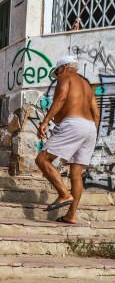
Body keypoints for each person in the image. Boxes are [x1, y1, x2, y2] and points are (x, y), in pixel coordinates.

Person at [35, 56, 100, 225]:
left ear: (63, 68)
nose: (57, 76)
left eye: (56, 72)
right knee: (76, 174)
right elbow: (96, 113)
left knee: (42, 159)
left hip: (74, 124)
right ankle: (71, 215)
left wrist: (45, 121)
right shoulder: (86, 84)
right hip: (91, 127)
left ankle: (64, 194)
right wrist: (90, 132)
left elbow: (62, 97)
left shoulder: (65, 77)